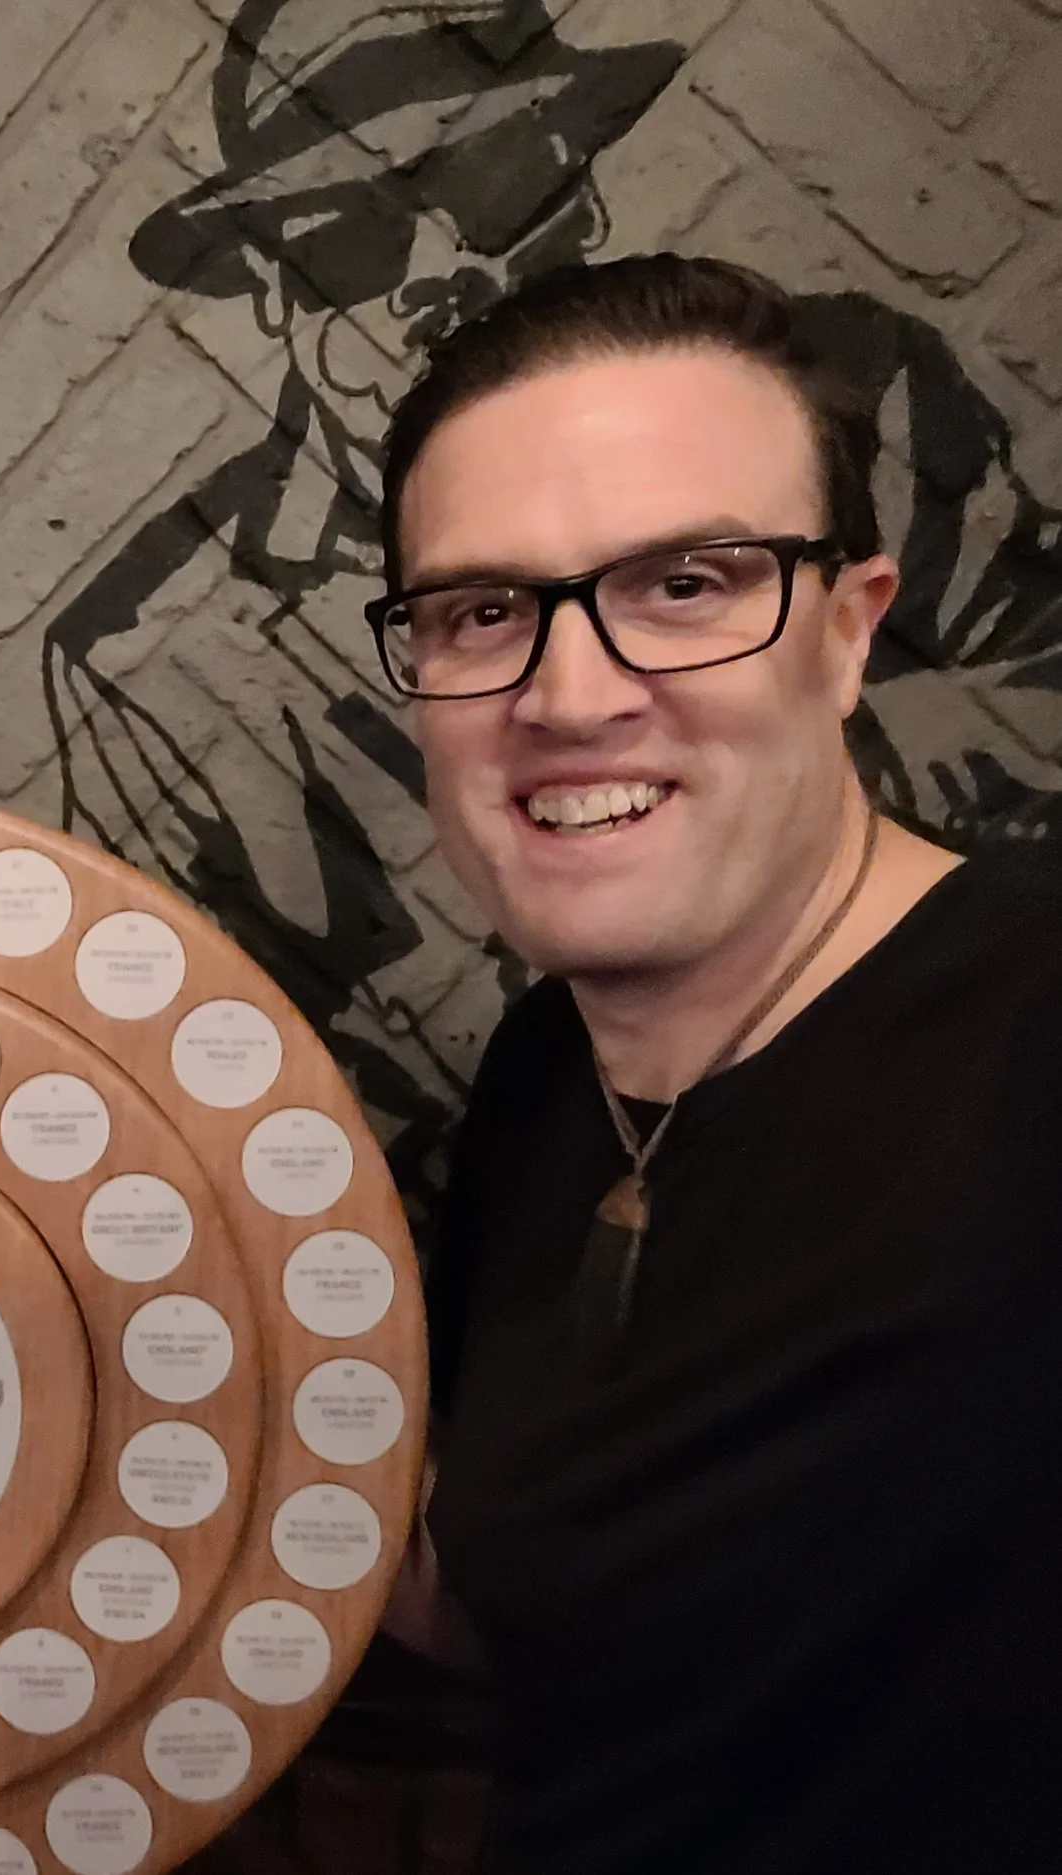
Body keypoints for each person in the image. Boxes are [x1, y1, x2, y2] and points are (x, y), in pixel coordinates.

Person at [377, 254, 1062, 1871]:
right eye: (483, 612)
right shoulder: (549, 1079)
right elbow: (578, 1623)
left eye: (683, 584)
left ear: (845, 632)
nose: (570, 693)